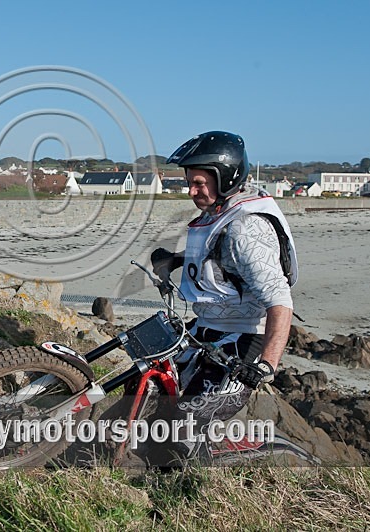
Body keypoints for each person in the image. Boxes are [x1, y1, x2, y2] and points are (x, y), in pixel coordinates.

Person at [151, 131, 298, 460]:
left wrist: (265, 366)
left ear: (226, 177)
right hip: (208, 329)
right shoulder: (220, 210)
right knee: (154, 393)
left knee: (185, 426)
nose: (191, 191)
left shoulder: (247, 229)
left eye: (199, 183)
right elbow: (221, 261)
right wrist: (175, 260)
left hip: (243, 342)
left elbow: (280, 300)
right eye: (190, 182)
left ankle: (199, 493)